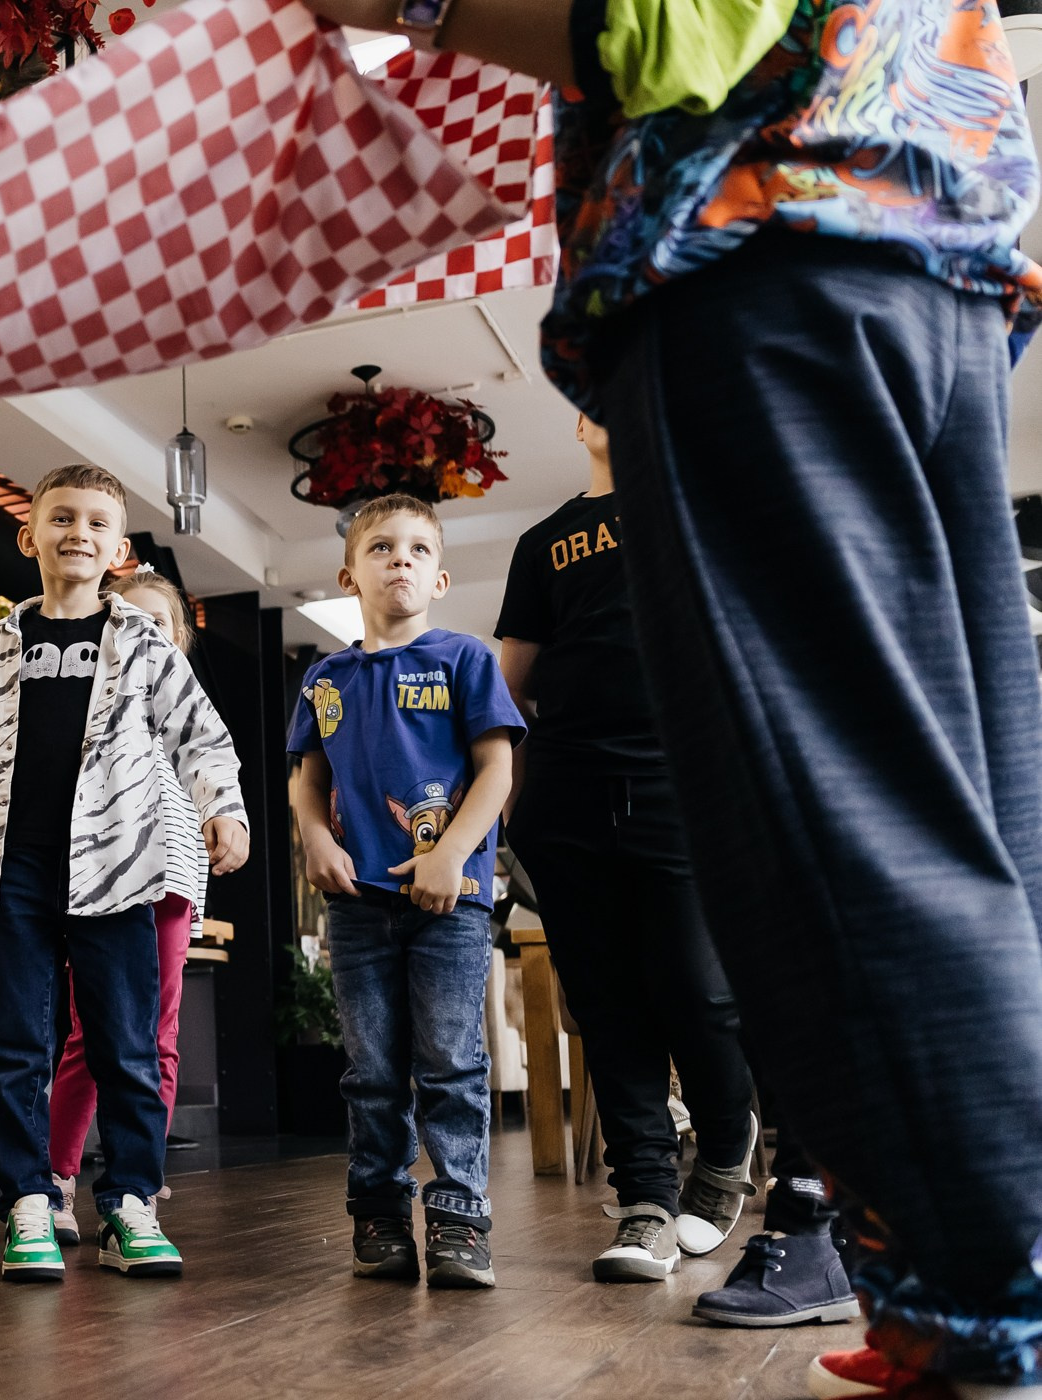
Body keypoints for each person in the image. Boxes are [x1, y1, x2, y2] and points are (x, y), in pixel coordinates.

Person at [303, 1, 1042, 1393]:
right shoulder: (535, 560)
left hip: (759, 252)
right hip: (918, 246)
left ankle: (985, 1318)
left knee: (833, 838)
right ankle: (976, 1297)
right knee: (967, 805)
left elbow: (677, 30)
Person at [0, 464, 249, 1283]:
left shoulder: (141, 640)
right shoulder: (0, 642)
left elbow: (201, 737)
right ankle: (29, 1201)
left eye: (97, 523)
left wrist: (227, 810)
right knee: (14, 1047)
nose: (78, 533)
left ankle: (131, 1203)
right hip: (14, 870)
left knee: (127, 1046)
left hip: (115, 868)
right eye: (61, 518)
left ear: (119, 549)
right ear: (29, 536)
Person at [496, 412, 767, 1284]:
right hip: (571, 788)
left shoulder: (708, 505)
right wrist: (513, 804)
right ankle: (646, 1200)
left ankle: (725, 1145)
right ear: (578, 416)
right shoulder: (545, 540)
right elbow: (512, 685)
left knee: (696, 989)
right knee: (608, 1010)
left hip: (684, 781)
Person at [288, 493, 525, 1290]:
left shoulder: (465, 661)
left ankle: (460, 1220)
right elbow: (306, 776)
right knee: (372, 1069)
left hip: (450, 903)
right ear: (348, 574)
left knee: (451, 1062)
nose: (401, 559)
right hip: (357, 905)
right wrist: (316, 837)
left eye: (418, 550)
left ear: (442, 577)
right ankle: (380, 1216)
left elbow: (498, 768)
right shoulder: (326, 677)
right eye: (382, 547)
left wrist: (452, 853)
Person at [46, 566, 207, 1246]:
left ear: (180, 640)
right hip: (105, 884)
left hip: (171, 880)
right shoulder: (91, 703)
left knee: (159, 1037)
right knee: (92, 1033)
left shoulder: (191, 709)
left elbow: (213, 779)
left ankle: (135, 1182)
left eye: (158, 624)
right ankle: (53, 1179)